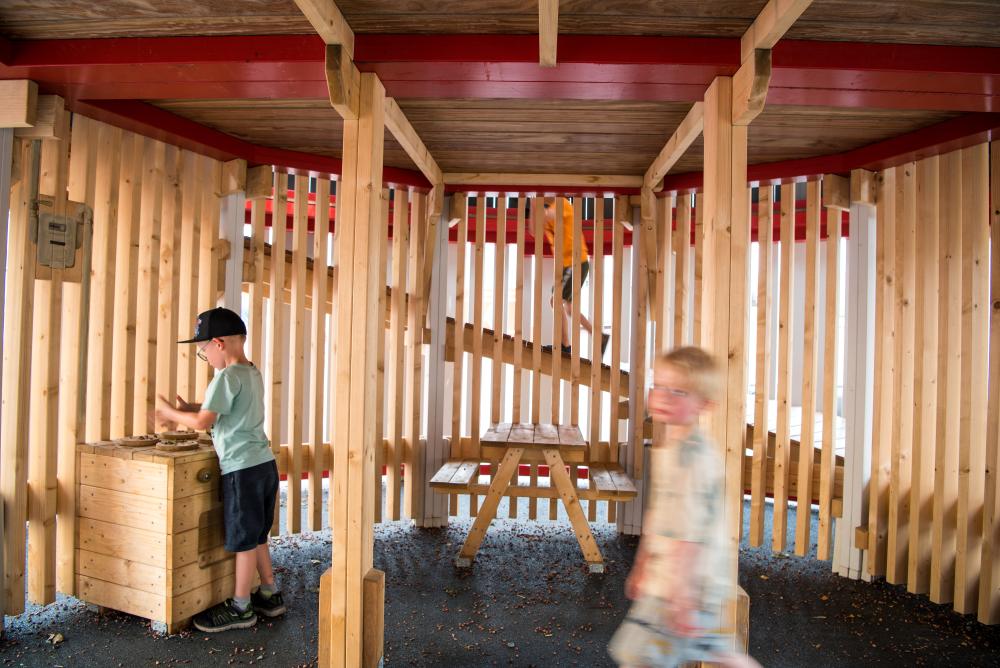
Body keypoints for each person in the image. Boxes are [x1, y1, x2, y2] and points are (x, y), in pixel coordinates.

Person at [608, 347, 760, 668]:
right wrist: (642, 565)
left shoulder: (691, 458)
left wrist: (683, 596)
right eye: (659, 385)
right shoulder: (672, 446)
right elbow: (660, 517)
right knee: (715, 650)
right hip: (675, 579)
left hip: (685, 582)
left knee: (637, 656)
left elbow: (688, 534)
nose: (664, 396)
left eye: (679, 391)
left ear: (704, 404)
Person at [155, 307, 286, 633]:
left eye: (203, 351)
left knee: (243, 540)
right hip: (264, 465)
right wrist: (190, 407)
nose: (204, 356)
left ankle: (241, 607)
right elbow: (224, 410)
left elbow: (203, 423)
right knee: (257, 534)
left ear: (218, 343)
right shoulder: (251, 372)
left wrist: (170, 412)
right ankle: (270, 593)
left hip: (240, 470)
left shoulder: (225, 377)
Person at [541, 196, 609, 357]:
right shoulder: (547, 211)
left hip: (574, 262)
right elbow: (534, 228)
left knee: (555, 300)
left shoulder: (561, 203)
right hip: (570, 264)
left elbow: (547, 216)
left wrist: (534, 203)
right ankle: (600, 337)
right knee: (569, 308)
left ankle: (565, 346)